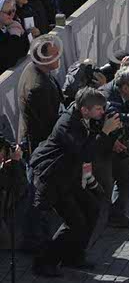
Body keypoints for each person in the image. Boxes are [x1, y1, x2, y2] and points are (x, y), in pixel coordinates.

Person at [30, 87, 121, 277]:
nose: (102, 113)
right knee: (75, 222)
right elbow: (85, 154)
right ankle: (44, 262)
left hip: (70, 174)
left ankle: (74, 256)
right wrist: (104, 132)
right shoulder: (67, 124)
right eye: (98, 109)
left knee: (92, 208)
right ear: (85, 110)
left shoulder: (86, 115)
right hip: (53, 176)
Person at [17, 35, 63, 251]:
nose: (58, 57)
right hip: (37, 145)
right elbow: (48, 122)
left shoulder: (36, 72)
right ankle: (33, 238)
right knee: (36, 192)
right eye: (54, 54)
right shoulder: (38, 87)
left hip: (35, 140)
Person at [95, 65, 129, 229]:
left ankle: (116, 215)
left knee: (127, 171)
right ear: (125, 87)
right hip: (96, 147)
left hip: (108, 143)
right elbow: (96, 124)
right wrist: (112, 142)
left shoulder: (117, 94)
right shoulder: (108, 100)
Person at [0, 0, 30, 72]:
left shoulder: (10, 25)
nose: (12, 15)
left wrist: (22, 33)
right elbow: (9, 61)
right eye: (8, 12)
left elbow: (24, 50)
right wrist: (15, 36)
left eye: (13, 11)